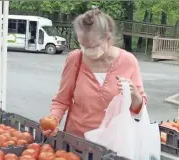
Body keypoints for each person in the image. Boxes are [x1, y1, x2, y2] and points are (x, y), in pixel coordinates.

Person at [41, 8, 147, 138]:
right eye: (82, 45)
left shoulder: (128, 62)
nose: (86, 51)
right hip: (77, 143)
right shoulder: (75, 59)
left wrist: (135, 96)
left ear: (108, 38)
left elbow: (139, 111)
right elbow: (61, 100)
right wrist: (54, 119)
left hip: (114, 145)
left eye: (92, 47)